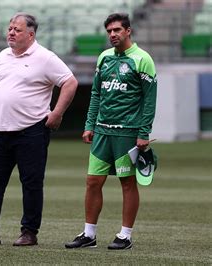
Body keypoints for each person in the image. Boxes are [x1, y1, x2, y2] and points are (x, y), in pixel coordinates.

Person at [0, 13, 78, 246]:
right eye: (10, 28)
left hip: (31, 130)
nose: (11, 33)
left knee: (31, 183)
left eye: (17, 29)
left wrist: (57, 113)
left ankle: (29, 232)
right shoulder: (2, 55)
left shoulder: (45, 57)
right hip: (0, 132)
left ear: (31, 34)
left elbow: (70, 82)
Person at [64, 13, 157, 250]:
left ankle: (125, 236)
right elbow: (96, 94)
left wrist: (144, 132)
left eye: (117, 30)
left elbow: (149, 99)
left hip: (127, 132)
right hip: (102, 131)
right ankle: (89, 234)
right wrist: (89, 125)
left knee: (127, 183)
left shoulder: (142, 59)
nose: (112, 34)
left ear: (128, 31)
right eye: (109, 31)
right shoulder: (104, 58)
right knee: (93, 182)